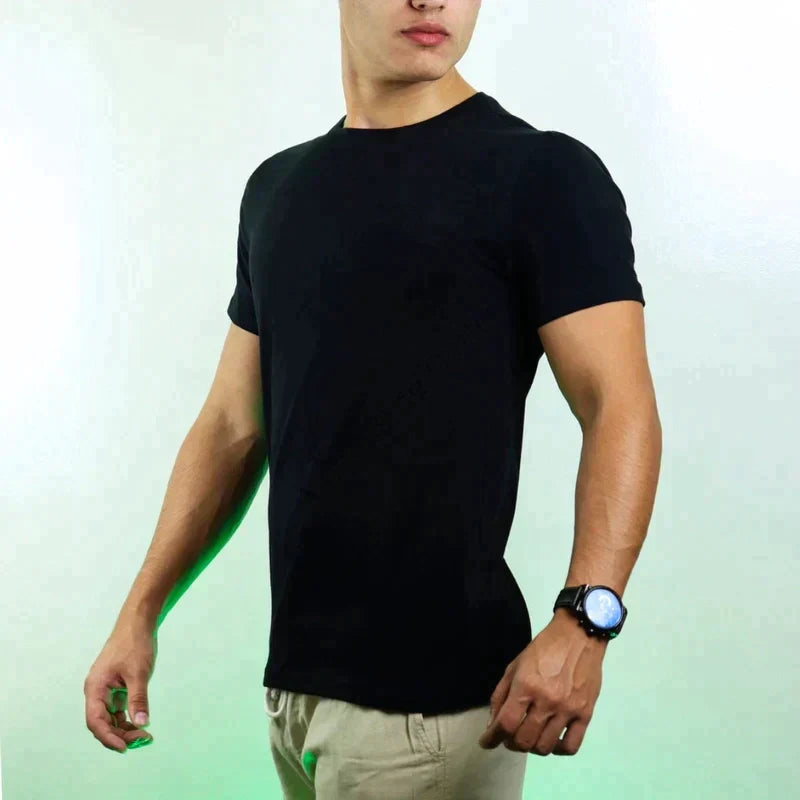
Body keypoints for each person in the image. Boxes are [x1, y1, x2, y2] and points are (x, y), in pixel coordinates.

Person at [84, 0, 662, 797]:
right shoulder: (278, 189)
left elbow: (618, 405)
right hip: (295, 697)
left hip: (436, 712)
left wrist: (584, 623)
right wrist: (140, 611)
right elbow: (231, 425)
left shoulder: (544, 175)